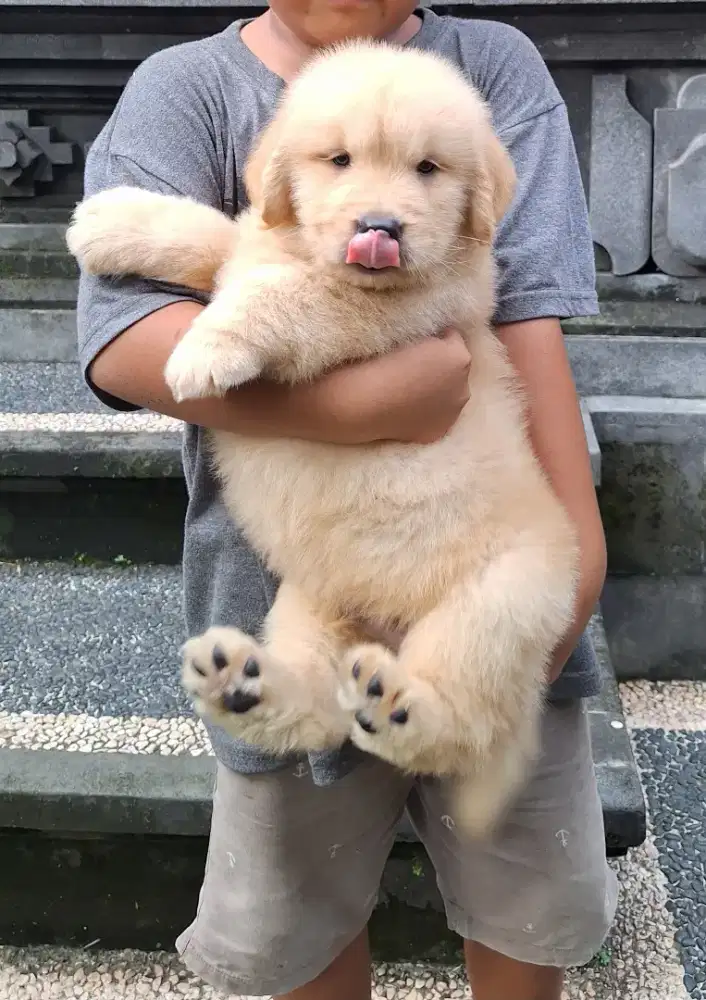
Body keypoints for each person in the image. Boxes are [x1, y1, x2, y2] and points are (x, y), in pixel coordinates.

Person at [76, 2, 619, 997]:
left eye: (422, 172)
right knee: (297, 931)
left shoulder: (487, 69)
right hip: (283, 572)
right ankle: (291, 696)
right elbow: (126, 342)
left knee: (523, 911)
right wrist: (374, 404)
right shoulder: (187, 91)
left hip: (480, 558)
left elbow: (528, 318)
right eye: (338, 164)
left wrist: (576, 548)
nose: (384, 198)